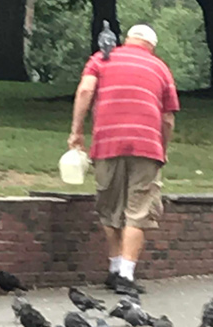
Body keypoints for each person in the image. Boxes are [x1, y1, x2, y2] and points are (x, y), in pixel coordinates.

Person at [68, 24, 180, 296]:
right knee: (138, 210)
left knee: (110, 207)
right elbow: (167, 118)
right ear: (151, 46)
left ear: (127, 40)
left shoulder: (102, 58)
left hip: (107, 143)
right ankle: (126, 277)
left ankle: (114, 268)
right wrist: (161, 149)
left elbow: (85, 91)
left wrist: (77, 132)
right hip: (146, 146)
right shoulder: (160, 68)